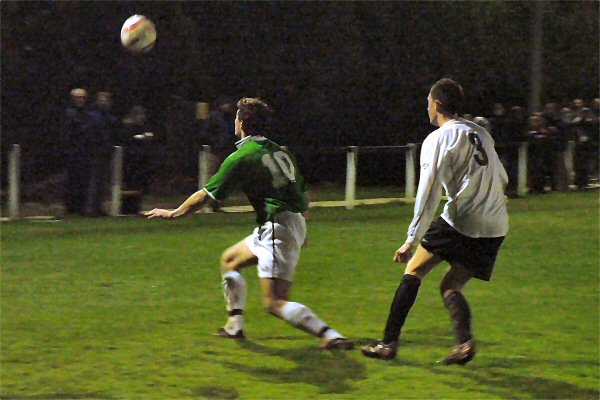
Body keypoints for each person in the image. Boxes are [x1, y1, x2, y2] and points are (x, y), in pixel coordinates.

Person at [145, 97, 354, 350]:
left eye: (236, 117)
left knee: (275, 302)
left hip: (278, 228)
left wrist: (173, 213)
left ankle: (331, 335)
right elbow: (303, 194)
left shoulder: (242, 157)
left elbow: (205, 195)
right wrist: (301, 228)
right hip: (287, 223)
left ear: (242, 122)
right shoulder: (280, 150)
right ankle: (235, 326)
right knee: (230, 260)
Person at [361, 79, 508, 364]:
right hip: (496, 224)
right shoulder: (480, 132)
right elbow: (503, 178)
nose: (427, 107)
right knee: (451, 286)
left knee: (413, 271)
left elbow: (428, 193)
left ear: (437, 104)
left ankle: (388, 344)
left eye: (428, 102)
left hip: (462, 218)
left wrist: (411, 239)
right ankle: (465, 344)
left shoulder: (438, 139)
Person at [85, 91, 117, 217]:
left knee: (102, 182)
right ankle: (90, 208)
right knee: (94, 181)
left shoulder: (109, 117)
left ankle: (98, 207)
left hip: (106, 152)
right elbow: (92, 135)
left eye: (106, 100)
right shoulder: (93, 116)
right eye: (102, 100)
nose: (104, 103)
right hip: (95, 152)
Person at [64, 88, 92, 215]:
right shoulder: (69, 112)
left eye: (82, 97)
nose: (80, 100)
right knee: (72, 181)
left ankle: (81, 207)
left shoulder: (87, 113)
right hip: (73, 151)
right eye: (77, 97)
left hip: (85, 151)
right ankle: (71, 208)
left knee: (83, 181)